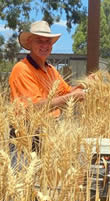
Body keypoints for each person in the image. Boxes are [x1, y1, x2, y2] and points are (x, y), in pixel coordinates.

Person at [9, 20, 87, 153]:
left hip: (48, 131)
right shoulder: (22, 69)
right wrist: (71, 97)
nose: (45, 45)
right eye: (39, 41)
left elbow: (66, 92)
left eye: (48, 41)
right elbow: (33, 108)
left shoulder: (51, 69)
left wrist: (85, 84)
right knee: (27, 171)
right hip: (26, 135)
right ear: (30, 43)